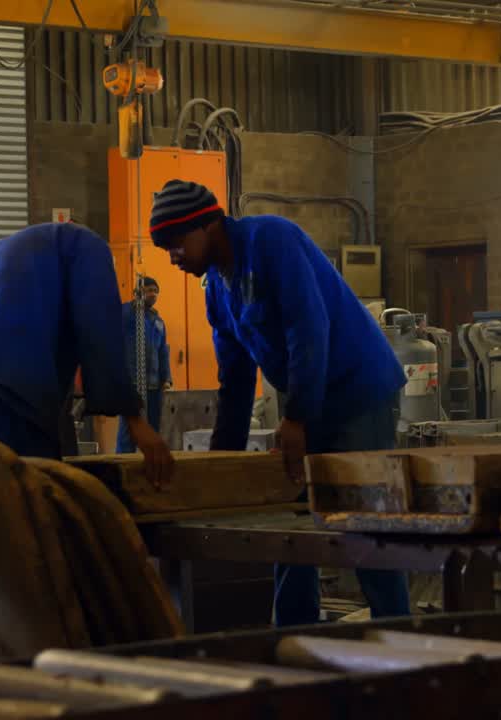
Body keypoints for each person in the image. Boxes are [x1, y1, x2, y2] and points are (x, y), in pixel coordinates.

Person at [149, 179, 410, 626]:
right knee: (292, 522)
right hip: (308, 401)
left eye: (177, 243)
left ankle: (401, 633)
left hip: (358, 392)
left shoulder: (271, 239)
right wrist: (221, 462)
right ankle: (292, 633)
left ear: (210, 225)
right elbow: (234, 377)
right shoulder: (216, 288)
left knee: (365, 519)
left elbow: (309, 329)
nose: (173, 257)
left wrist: (296, 417)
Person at [0, 223, 174, 486]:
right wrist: (135, 421)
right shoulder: (89, 247)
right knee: (27, 512)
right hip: (2, 397)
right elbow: (100, 330)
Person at [116, 276, 171, 454]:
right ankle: (123, 462)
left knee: (153, 428)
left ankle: (151, 464)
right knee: (128, 429)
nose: (153, 294)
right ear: (139, 292)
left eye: (156, 291)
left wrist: (166, 378)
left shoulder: (158, 322)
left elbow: (163, 351)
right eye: (149, 291)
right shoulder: (128, 314)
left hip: (153, 384)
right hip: (132, 383)